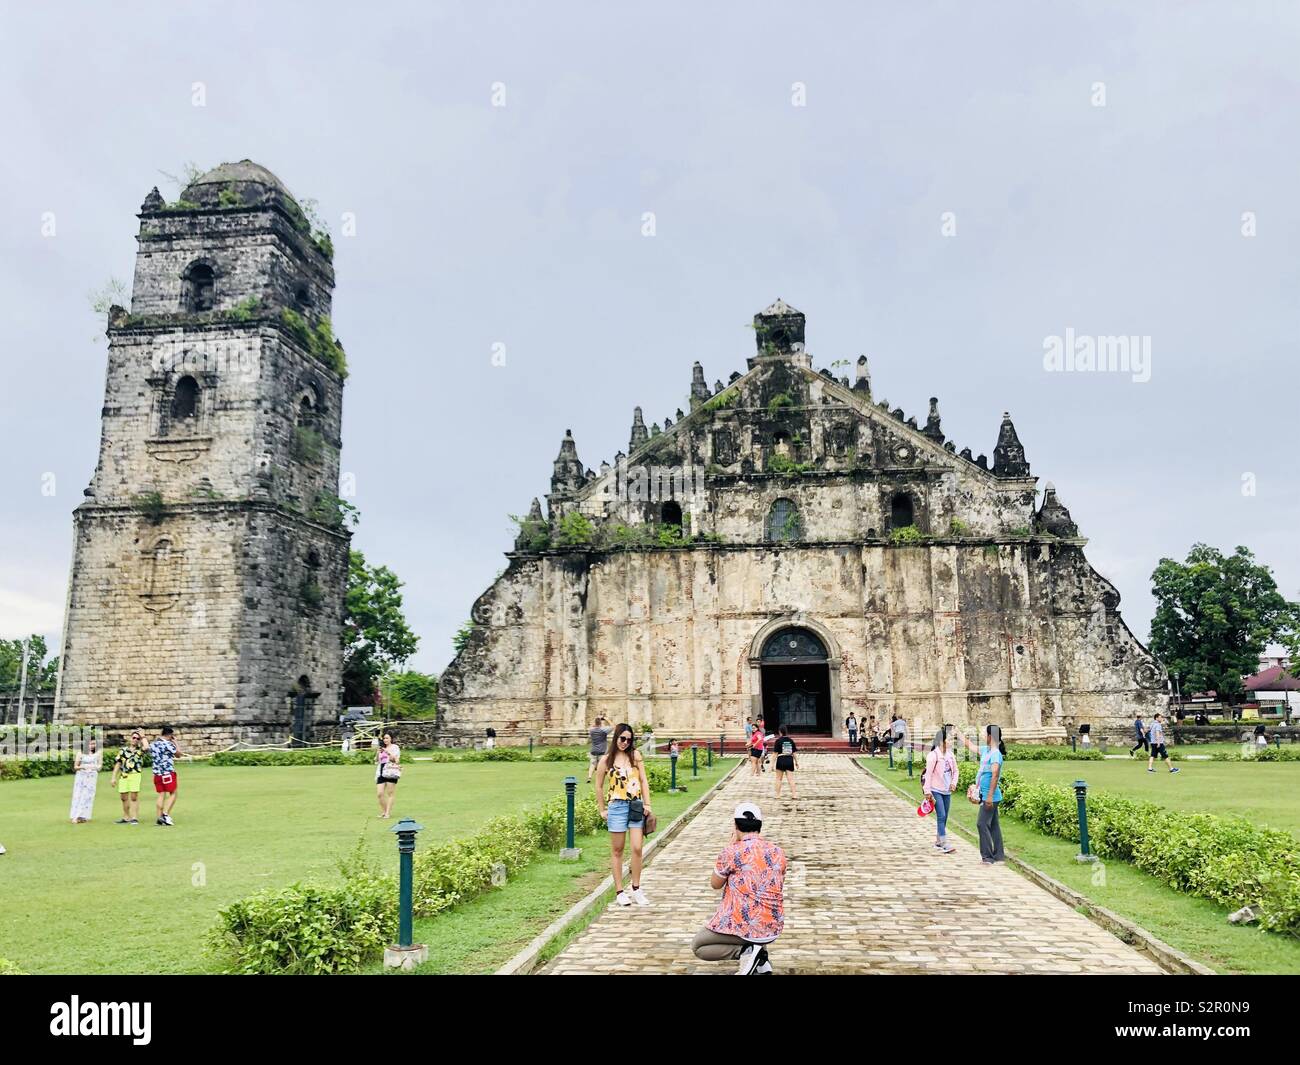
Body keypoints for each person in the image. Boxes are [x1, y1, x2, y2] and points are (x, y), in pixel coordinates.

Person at [691, 801, 787, 975]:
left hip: (745, 926)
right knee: (758, 906)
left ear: (735, 826)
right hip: (773, 927)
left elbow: (715, 884)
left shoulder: (731, 851)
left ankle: (746, 953)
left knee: (698, 945)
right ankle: (760, 958)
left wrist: (729, 847)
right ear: (760, 826)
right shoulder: (778, 851)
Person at [596, 722, 652, 906]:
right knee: (618, 850)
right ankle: (620, 891)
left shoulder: (635, 755)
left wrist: (647, 803)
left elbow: (643, 780)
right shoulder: (606, 760)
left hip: (635, 805)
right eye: (622, 739)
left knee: (637, 848)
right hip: (617, 807)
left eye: (629, 740)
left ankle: (636, 888)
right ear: (616, 737)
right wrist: (602, 809)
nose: (625, 742)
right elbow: (598, 785)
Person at [922, 726, 958, 853]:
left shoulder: (950, 755)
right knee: (941, 816)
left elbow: (956, 771)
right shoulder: (933, 755)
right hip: (935, 789)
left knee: (945, 816)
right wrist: (927, 791)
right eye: (949, 739)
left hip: (947, 790)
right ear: (942, 741)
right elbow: (928, 774)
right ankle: (944, 843)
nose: (951, 741)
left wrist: (954, 783)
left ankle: (938, 841)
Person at [110, 729, 146, 824]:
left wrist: (143, 736)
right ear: (130, 738)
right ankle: (126, 817)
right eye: (134, 737)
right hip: (124, 775)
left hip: (135, 774)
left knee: (134, 797)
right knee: (123, 797)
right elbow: (118, 764)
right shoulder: (123, 751)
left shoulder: (140, 750)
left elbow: (146, 747)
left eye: (137, 738)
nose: (135, 740)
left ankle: (134, 817)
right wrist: (114, 777)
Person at [149, 726, 180, 827]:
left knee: (161, 794)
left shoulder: (153, 744)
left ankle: (159, 818)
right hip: (167, 772)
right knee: (173, 793)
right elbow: (178, 754)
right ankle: (165, 814)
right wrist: (176, 743)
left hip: (157, 773)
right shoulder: (168, 744)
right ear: (170, 735)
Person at [69, 736, 101, 824]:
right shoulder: (80, 753)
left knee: (88, 796)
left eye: (94, 743)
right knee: (79, 795)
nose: (92, 745)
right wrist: (83, 767)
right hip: (81, 777)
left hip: (92, 777)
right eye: (90, 743)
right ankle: (75, 816)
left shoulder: (98, 753)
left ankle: (83, 816)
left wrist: (93, 767)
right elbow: (75, 766)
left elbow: (99, 766)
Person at [375, 729, 401, 817]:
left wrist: (387, 752)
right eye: (384, 738)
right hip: (381, 770)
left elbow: (396, 760)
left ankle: (387, 813)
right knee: (380, 794)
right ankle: (385, 811)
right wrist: (378, 753)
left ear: (391, 739)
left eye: (387, 738)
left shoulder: (395, 747)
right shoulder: (381, 748)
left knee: (390, 793)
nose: (385, 740)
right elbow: (377, 761)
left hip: (391, 770)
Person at [773, 726, 798, 799]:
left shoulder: (778, 741)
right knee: (791, 779)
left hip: (780, 759)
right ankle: (794, 794)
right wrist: (796, 762)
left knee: (778, 779)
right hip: (789, 760)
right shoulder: (790, 740)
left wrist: (771, 765)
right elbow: (794, 753)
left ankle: (778, 795)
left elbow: (775, 754)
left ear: (780, 732)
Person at [586, 716, 610, 783]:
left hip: (593, 750)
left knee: (592, 764)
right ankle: (605, 778)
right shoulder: (603, 731)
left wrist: (596, 720)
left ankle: (589, 777)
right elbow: (613, 726)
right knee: (603, 765)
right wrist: (607, 719)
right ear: (600, 723)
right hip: (602, 751)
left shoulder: (591, 730)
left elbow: (591, 726)